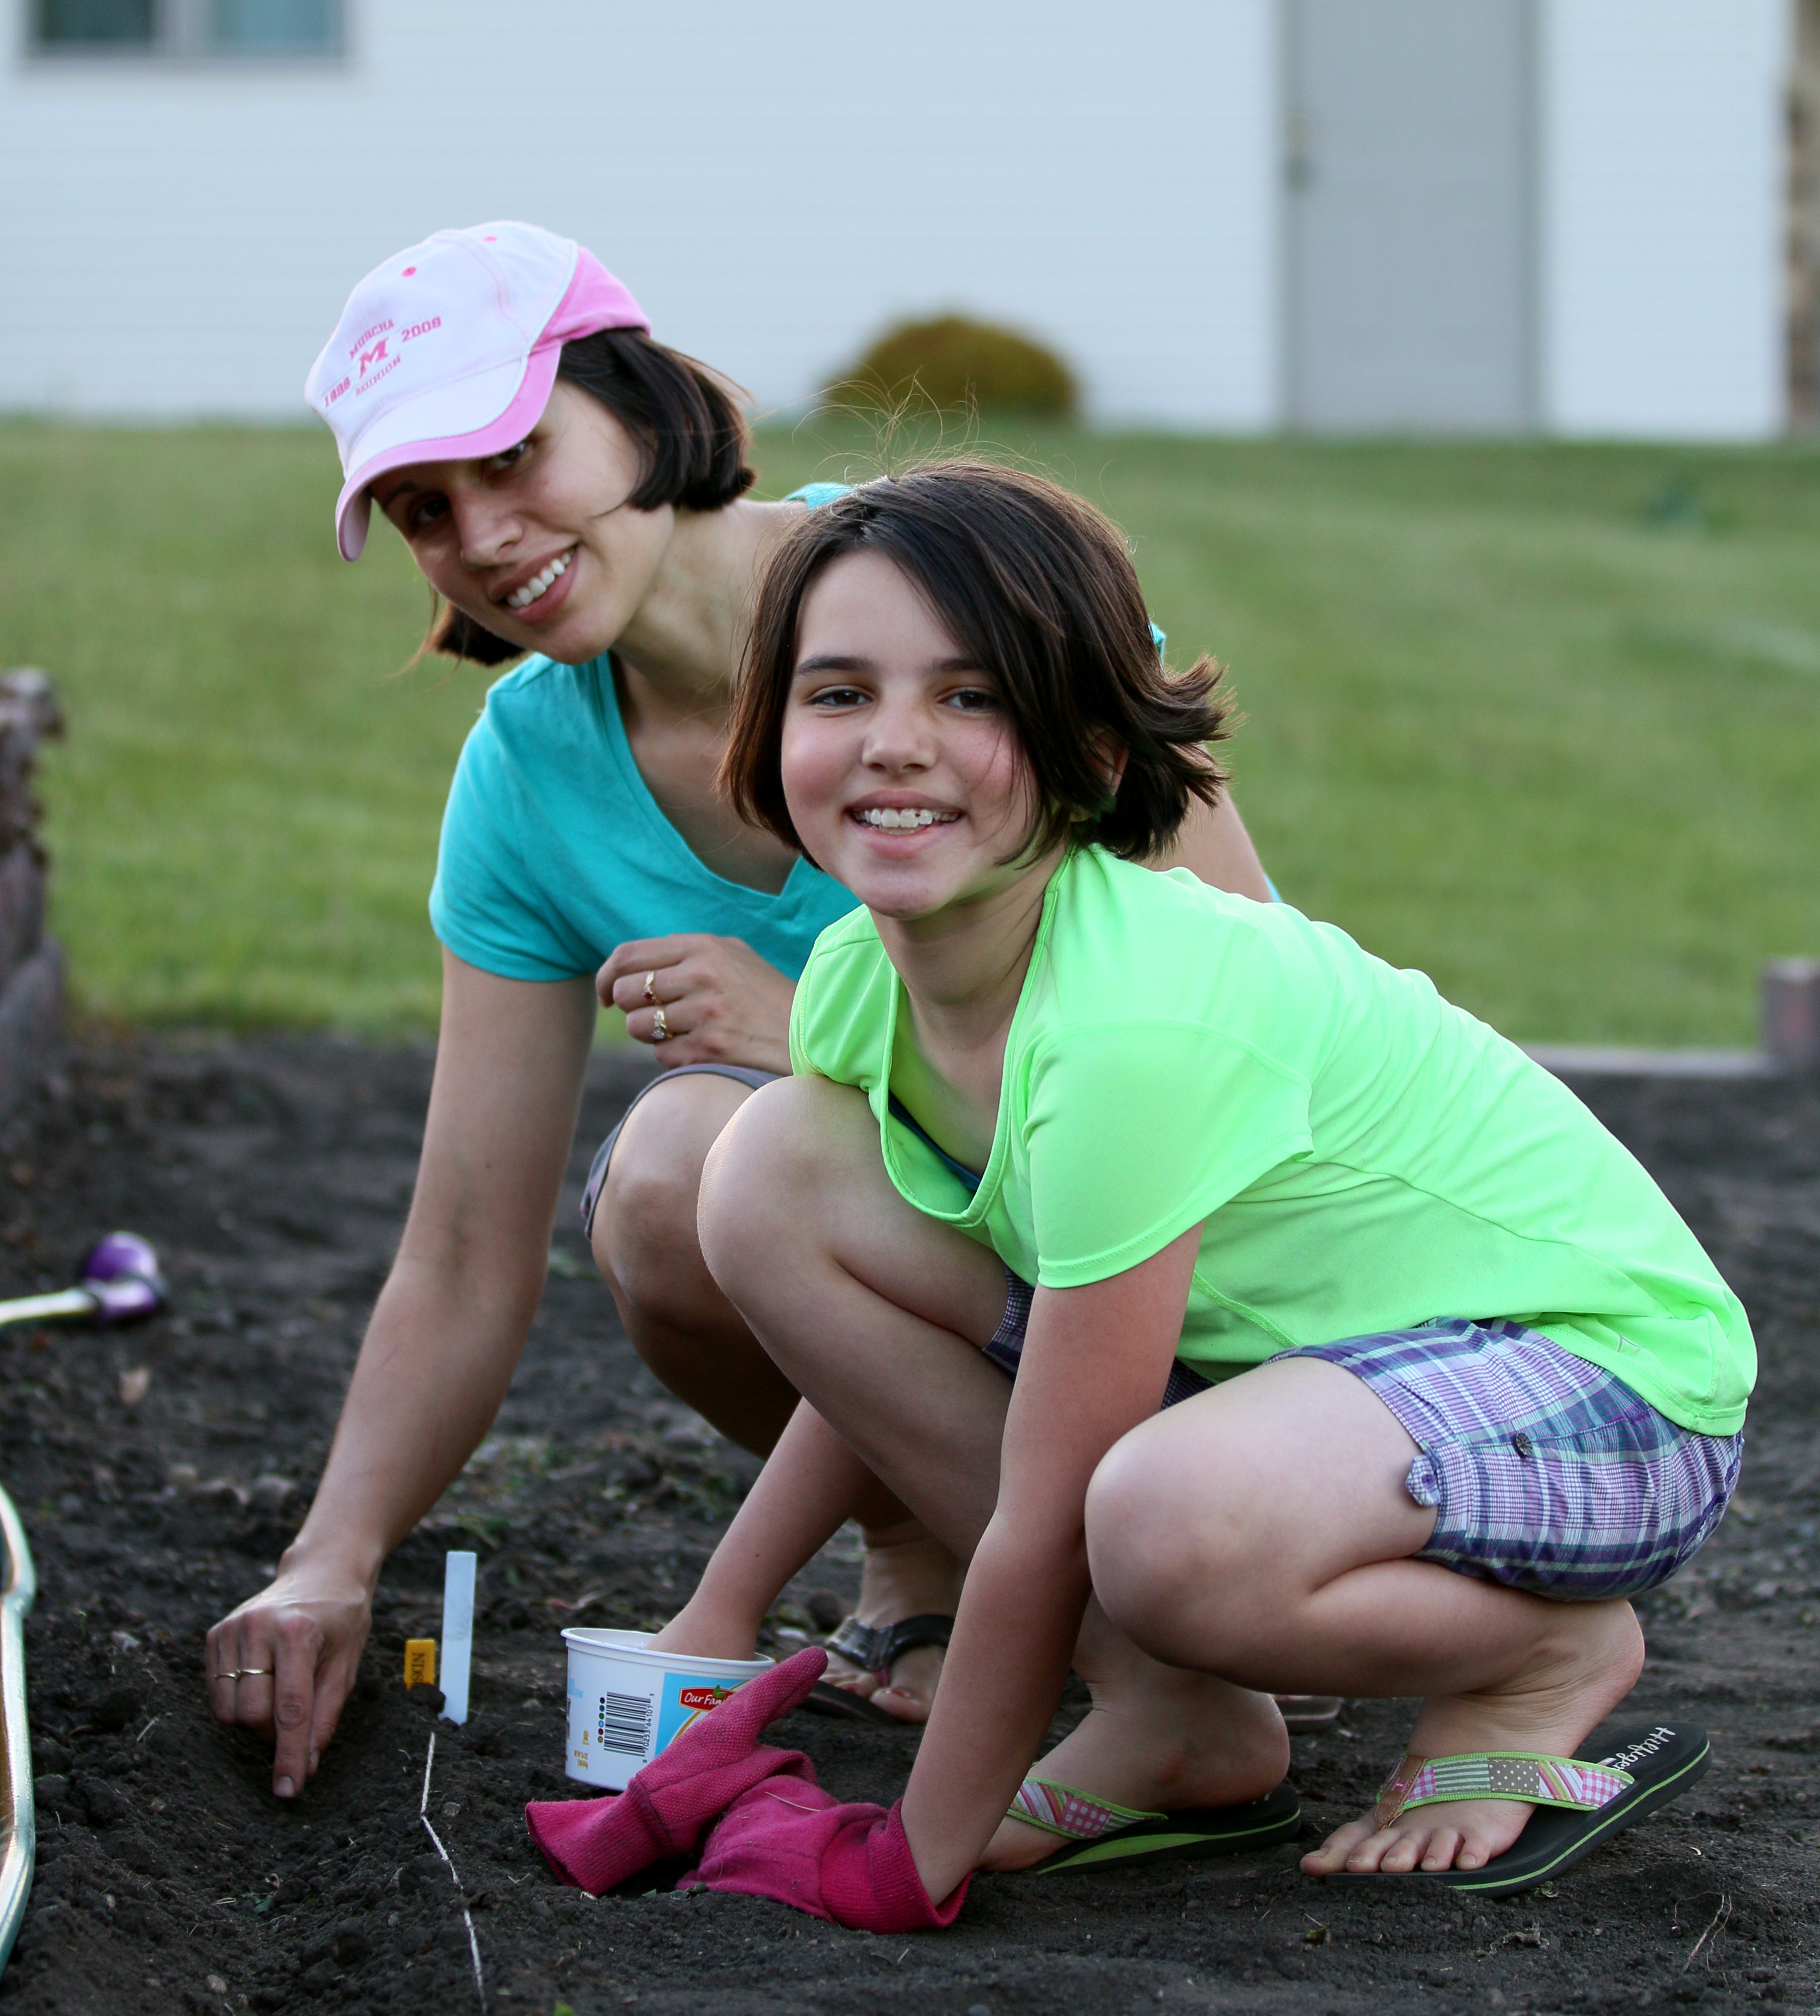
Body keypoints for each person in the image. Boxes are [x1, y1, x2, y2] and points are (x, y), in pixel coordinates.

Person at [580, 460, 1753, 1920]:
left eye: (971, 697)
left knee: (1153, 1525)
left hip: (1603, 1379)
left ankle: (1534, 1658)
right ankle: (1172, 1718)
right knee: (765, 1176)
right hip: (1317, 1373)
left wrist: (914, 1854)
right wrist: (717, 1616)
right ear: (766, 734)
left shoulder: (1131, 1025)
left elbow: (1054, 1500)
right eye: (838, 694)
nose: (894, 746)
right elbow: (865, 1358)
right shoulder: (855, 983)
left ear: (1084, 742)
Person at [203, 225, 1278, 1800]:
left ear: (636, 403)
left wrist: (826, 1040)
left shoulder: (960, 590)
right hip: (971, 1294)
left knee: (752, 1135)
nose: (484, 535)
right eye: (428, 513)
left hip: (1202, 1289)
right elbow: (461, 1242)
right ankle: (951, 1559)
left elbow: (1255, 1011)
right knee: (667, 1178)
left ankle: (1181, 1591)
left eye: (511, 455)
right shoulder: (529, 774)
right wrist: (332, 1558)